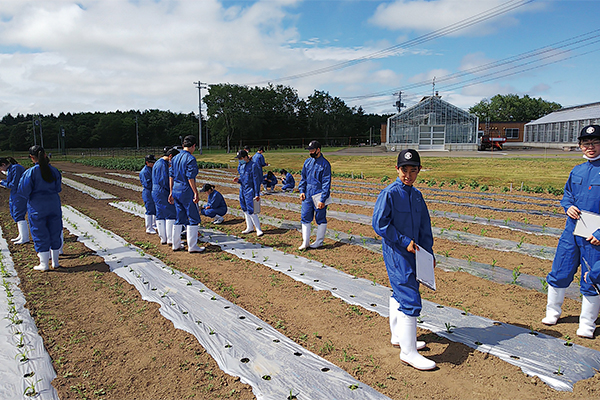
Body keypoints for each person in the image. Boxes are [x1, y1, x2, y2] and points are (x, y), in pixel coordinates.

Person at [372, 149, 436, 370]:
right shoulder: (389, 193)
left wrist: (428, 254)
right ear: (397, 169)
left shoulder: (417, 195)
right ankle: (408, 353)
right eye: (404, 170)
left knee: (400, 292)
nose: (408, 174)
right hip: (397, 252)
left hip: (416, 253)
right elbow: (379, 224)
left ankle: (399, 337)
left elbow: (425, 228)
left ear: (419, 170)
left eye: (413, 170)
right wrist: (402, 240)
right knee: (409, 295)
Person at [542, 124, 600, 338]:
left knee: (593, 275)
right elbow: (567, 194)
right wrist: (568, 206)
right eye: (586, 143)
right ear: (580, 146)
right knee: (560, 269)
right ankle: (552, 312)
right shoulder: (577, 170)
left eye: (595, 142)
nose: (590, 146)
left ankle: (587, 323)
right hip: (572, 230)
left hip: (594, 235)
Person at [17, 146, 62, 271]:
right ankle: (56, 262)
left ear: (32, 158)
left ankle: (44, 264)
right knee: (55, 230)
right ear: (45, 155)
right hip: (53, 204)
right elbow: (58, 188)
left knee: (39, 232)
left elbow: (23, 191)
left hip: (37, 206)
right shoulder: (54, 171)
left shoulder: (30, 173)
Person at [168, 135, 205, 253]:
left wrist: (171, 191)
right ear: (193, 146)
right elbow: (190, 177)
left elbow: (171, 176)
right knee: (193, 218)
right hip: (186, 190)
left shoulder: (175, 158)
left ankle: (176, 244)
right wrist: (195, 192)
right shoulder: (190, 159)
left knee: (179, 217)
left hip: (176, 189)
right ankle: (193, 246)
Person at [298, 140, 331, 250]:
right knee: (305, 216)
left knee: (320, 218)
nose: (310, 152)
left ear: (318, 150)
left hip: (319, 195)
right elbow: (303, 178)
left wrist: (323, 199)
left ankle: (319, 242)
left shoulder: (325, 164)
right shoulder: (307, 162)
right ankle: (305, 242)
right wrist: (302, 191)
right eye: (309, 150)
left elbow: (326, 183)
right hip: (307, 194)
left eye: (312, 150)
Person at [152, 147, 179, 245]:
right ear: (170, 156)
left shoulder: (157, 163)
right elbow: (165, 181)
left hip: (155, 190)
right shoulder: (163, 165)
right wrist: (171, 191)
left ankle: (163, 238)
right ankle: (171, 239)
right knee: (170, 214)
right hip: (162, 191)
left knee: (160, 214)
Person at [233, 149, 263, 236]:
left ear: (246, 157)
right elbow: (243, 179)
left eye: (241, 158)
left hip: (250, 190)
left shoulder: (253, 166)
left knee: (251, 210)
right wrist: (238, 180)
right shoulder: (242, 167)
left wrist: (257, 193)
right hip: (243, 189)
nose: (240, 160)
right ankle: (249, 227)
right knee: (244, 209)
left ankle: (258, 229)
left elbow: (256, 180)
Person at [0, 157, 29, 244]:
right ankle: (21, 235)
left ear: (3, 165)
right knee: (14, 213)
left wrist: (2, 182)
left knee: (19, 214)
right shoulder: (11, 169)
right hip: (15, 194)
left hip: (19, 194)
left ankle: (25, 237)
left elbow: (13, 184)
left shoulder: (16, 168)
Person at [139, 154, 157, 234]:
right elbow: (147, 184)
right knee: (149, 209)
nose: (153, 164)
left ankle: (154, 224)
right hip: (148, 192)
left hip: (152, 191)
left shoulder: (151, 169)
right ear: (147, 162)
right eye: (151, 162)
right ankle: (149, 227)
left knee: (154, 208)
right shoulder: (144, 172)